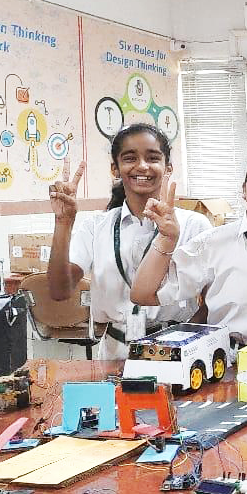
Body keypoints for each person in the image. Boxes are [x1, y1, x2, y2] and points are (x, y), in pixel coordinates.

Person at [46, 123, 211, 359]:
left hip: (177, 350)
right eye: (130, 158)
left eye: (153, 158)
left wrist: (182, 342)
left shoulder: (194, 225)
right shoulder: (96, 227)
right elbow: (59, 290)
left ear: (168, 167)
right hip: (115, 354)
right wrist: (63, 222)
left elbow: (213, 299)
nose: (142, 166)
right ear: (115, 168)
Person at [129, 146, 247, 348]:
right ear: (244, 189)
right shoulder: (213, 243)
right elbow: (143, 294)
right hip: (231, 366)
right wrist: (166, 238)